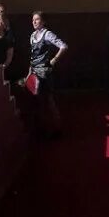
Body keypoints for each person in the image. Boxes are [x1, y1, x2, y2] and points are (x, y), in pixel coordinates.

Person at [23, 11, 68, 139]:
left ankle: (56, 128)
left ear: (43, 21)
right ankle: (41, 128)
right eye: (33, 20)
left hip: (44, 73)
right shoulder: (32, 36)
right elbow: (33, 57)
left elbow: (63, 46)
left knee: (48, 100)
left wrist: (53, 60)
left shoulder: (47, 34)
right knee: (36, 101)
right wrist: (29, 72)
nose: (34, 22)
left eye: (37, 19)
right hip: (34, 72)